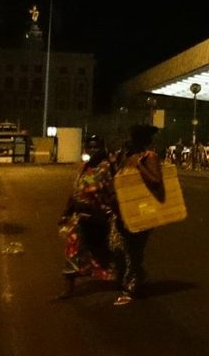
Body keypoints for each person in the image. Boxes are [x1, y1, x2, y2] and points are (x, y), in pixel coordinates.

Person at [110, 124, 165, 306]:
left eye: (134, 138)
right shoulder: (127, 157)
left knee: (134, 249)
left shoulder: (149, 157)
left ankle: (131, 286)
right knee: (117, 246)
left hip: (142, 209)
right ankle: (136, 274)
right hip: (123, 210)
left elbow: (156, 181)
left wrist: (141, 167)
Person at [57, 135, 118, 299]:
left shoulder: (106, 167)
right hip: (81, 217)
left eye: (95, 147)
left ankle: (124, 278)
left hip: (99, 217)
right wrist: (66, 212)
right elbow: (76, 191)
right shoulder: (84, 167)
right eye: (89, 147)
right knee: (72, 249)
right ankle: (69, 287)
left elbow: (113, 193)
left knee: (103, 251)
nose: (92, 151)